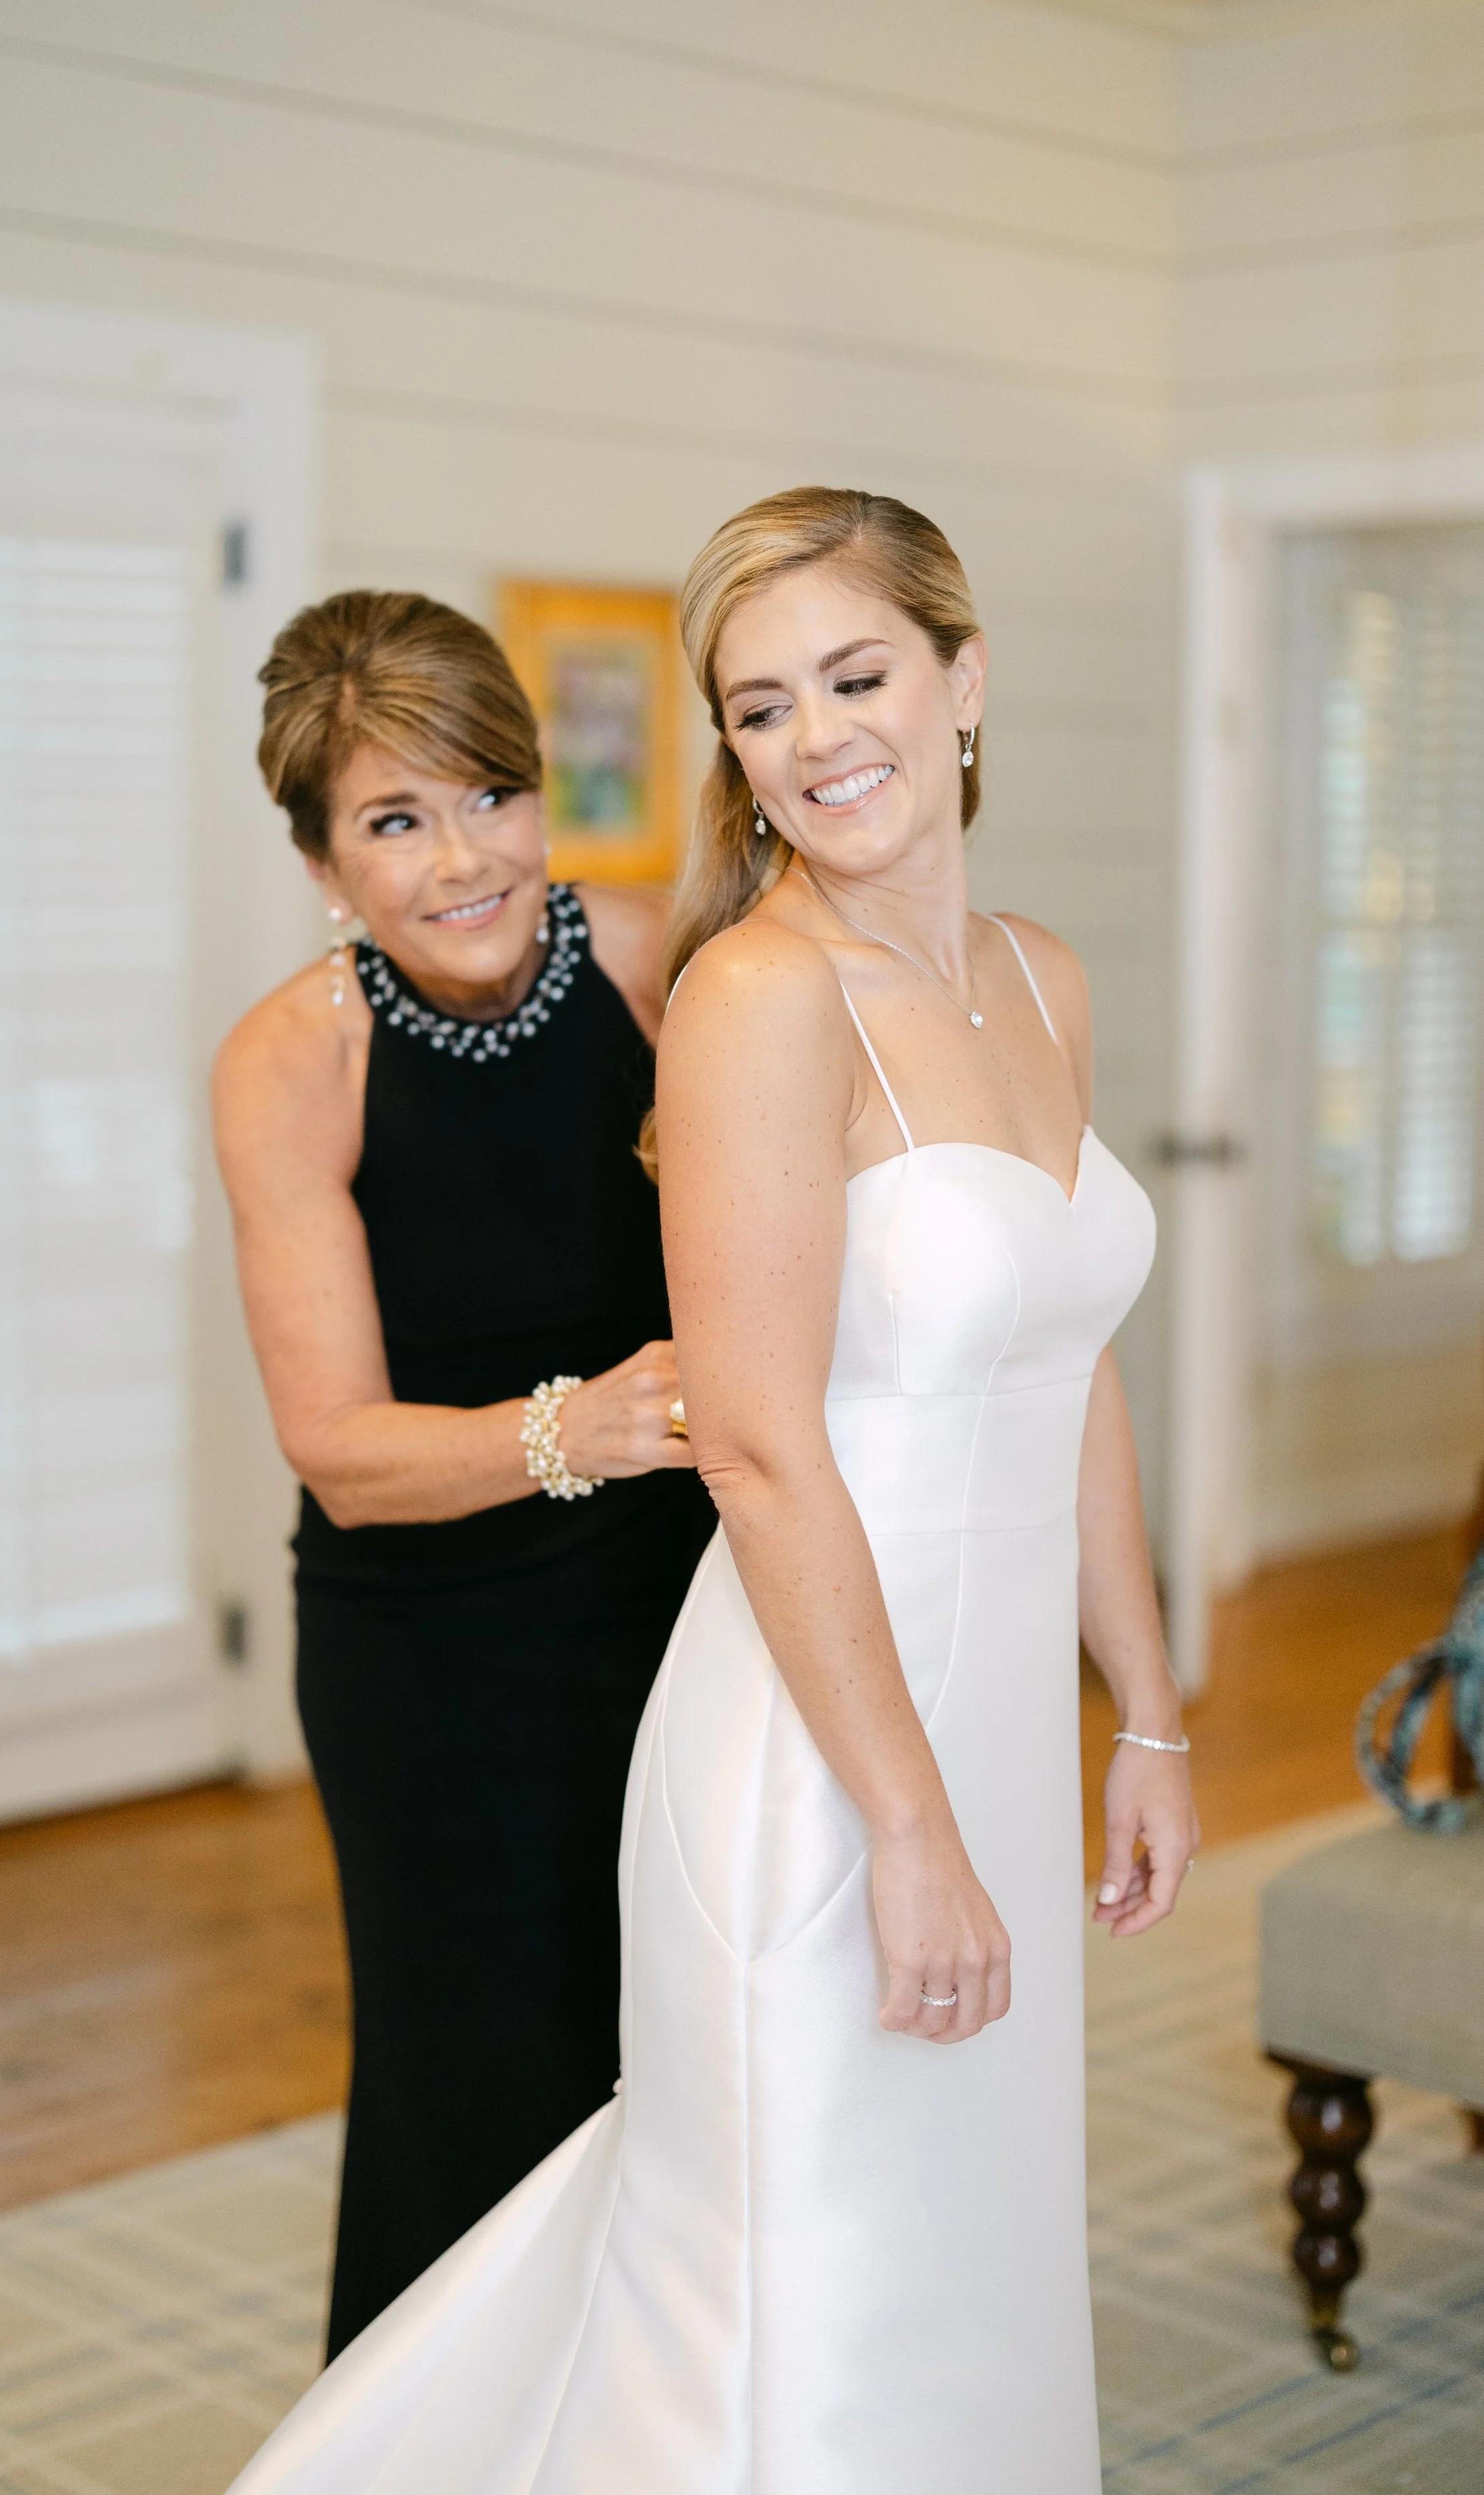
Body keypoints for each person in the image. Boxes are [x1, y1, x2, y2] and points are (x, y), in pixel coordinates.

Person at [228, 492, 1199, 2493]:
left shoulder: (954, 976)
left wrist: (1150, 1705)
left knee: (899, 2195)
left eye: (855, 676)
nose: (815, 735)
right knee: (654, 2186)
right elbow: (698, 1435)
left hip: (859, 1643)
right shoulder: (719, 992)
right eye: (761, 705)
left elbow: (1047, 1356)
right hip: (655, 1678)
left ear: (962, 680)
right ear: (323, 865)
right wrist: (903, 1812)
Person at [212, 590, 714, 2360]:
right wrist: (575, 1425)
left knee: (683, 2050)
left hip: (675, 1609)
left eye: (486, 794)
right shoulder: (295, 1059)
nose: (459, 859)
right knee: (468, 2086)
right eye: (391, 821)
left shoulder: (663, 964)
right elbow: (342, 1452)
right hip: (424, 1646)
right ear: (321, 863)